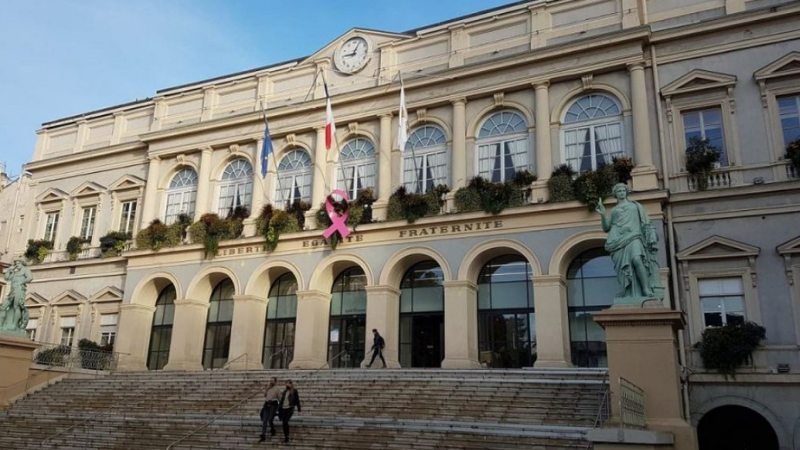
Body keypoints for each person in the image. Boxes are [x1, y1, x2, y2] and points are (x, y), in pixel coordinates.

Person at [595, 183, 663, 303]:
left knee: (637, 260)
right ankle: (628, 291)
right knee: (623, 268)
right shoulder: (614, 210)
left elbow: (646, 222)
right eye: (619, 191)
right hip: (617, 239)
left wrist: (650, 235)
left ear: (626, 192)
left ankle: (646, 289)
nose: (621, 193)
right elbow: (606, 228)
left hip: (634, 236)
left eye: (623, 190)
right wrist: (602, 215)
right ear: (615, 194)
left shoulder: (635, 206)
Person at [278, 379, 301, 444]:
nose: (286, 385)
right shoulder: (285, 391)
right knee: (283, 423)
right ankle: (286, 437)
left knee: (285, 422)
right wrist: (278, 408)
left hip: (290, 408)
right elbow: (282, 401)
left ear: (291, 384)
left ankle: (287, 437)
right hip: (283, 409)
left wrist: (299, 408)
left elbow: (297, 400)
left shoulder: (294, 391)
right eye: (286, 383)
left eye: (288, 383)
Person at [259, 377, 281, 442]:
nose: (271, 382)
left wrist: (279, 408)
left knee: (270, 419)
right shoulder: (268, 388)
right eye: (270, 380)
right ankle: (263, 435)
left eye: (272, 381)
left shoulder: (277, 389)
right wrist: (267, 389)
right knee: (264, 420)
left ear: (275, 382)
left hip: (273, 405)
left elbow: (280, 398)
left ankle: (273, 429)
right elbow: (264, 395)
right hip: (266, 404)